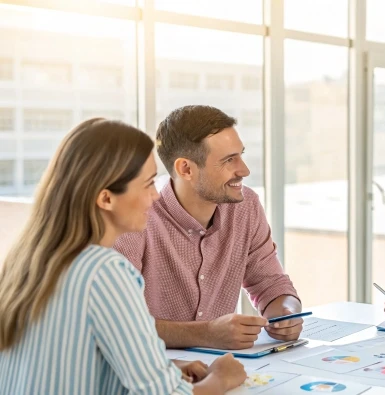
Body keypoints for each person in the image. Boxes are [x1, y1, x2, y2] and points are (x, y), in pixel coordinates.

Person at [0, 118, 246, 394]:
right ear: (106, 199)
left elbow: (68, 361)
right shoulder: (105, 272)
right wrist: (222, 378)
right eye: (148, 184)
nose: (155, 197)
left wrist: (164, 367)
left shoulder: (27, 259)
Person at [114, 105, 303, 350]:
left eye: (240, 155)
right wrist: (205, 334)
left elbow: (270, 284)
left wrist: (287, 313)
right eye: (228, 160)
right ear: (186, 169)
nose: (244, 170)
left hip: (224, 369)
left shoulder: (246, 206)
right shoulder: (138, 215)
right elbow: (116, 321)